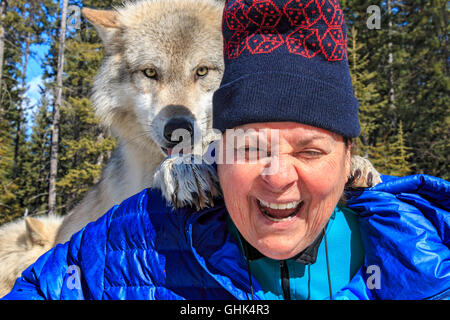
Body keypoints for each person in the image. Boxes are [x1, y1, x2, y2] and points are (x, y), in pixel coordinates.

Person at [3, 0, 449, 300]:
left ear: (346, 152)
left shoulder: (421, 244)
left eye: (202, 72)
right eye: (151, 74)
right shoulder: (118, 235)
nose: (278, 175)